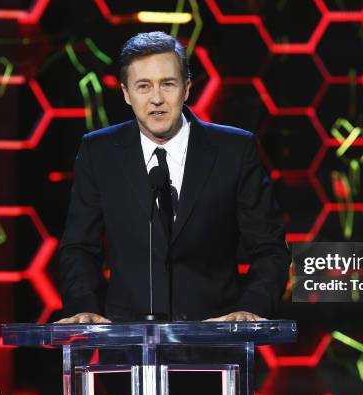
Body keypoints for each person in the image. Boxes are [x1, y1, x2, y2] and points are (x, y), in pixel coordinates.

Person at [56, 31, 290, 324]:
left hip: (217, 344)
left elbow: (269, 246)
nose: (156, 99)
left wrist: (252, 310)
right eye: (143, 86)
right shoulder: (99, 152)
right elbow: (79, 246)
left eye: (167, 84)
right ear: (126, 93)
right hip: (130, 347)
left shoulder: (235, 151)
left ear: (187, 88)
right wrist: (83, 308)